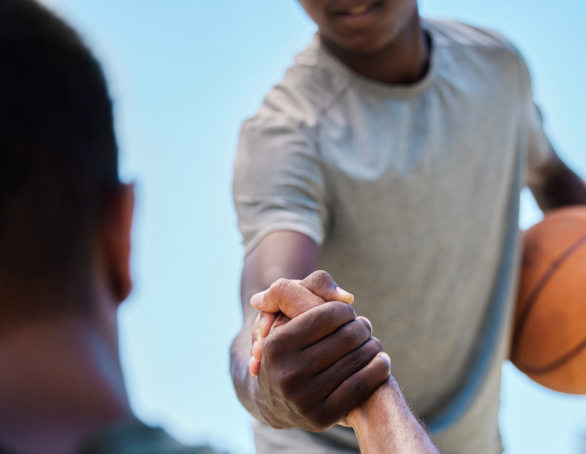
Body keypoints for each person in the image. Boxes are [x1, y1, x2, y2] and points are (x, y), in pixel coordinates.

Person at [231, 0, 586, 452]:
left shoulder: (495, 69)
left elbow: (551, 176)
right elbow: (266, 308)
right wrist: (265, 381)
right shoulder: (286, 135)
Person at [0, 1, 439, 453]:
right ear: (120, 234)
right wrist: (370, 394)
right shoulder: (289, 133)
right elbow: (270, 298)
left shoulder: (493, 69)